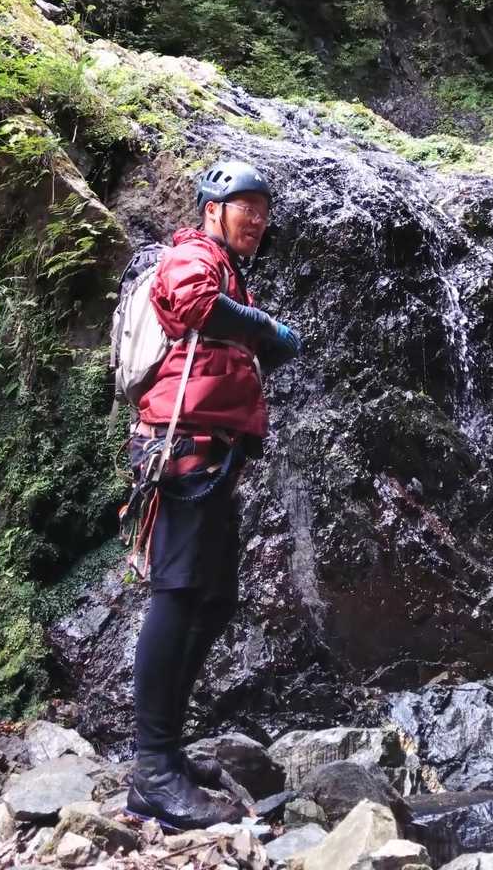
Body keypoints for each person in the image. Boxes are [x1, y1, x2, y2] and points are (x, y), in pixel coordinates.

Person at [126, 159, 302, 829]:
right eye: (244, 206)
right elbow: (191, 300)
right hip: (183, 452)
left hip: (214, 455)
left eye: (263, 209)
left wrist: (259, 340)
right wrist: (263, 328)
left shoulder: (230, 270)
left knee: (216, 597)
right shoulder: (192, 253)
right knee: (176, 594)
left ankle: (166, 749)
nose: (256, 219)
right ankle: (152, 770)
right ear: (211, 210)